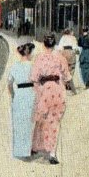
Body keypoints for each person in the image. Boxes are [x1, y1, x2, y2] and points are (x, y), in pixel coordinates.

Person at [29, 33, 71, 164]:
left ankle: (35, 147)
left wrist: (37, 89)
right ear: (54, 44)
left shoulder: (39, 58)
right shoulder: (60, 58)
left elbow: (34, 77)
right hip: (57, 92)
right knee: (54, 122)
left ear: (43, 44)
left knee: (40, 120)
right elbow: (67, 76)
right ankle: (52, 153)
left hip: (43, 92)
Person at [7, 40, 36, 160]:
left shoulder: (14, 66)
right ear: (28, 53)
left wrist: (13, 95)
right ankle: (27, 150)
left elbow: (9, 83)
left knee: (18, 123)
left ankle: (18, 151)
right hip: (30, 93)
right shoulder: (32, 66)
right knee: (28, 122)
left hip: (18, 94)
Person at [57, 28, 79, 95]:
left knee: (64, 69)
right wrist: (77, 52)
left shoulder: (62, 38)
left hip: (64, 53)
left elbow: (59, 48)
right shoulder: (73, 38)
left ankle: (65, 84)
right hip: (71, 53)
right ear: (70, 32)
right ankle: (69, 85)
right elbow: (75, 47)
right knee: (71, 68)